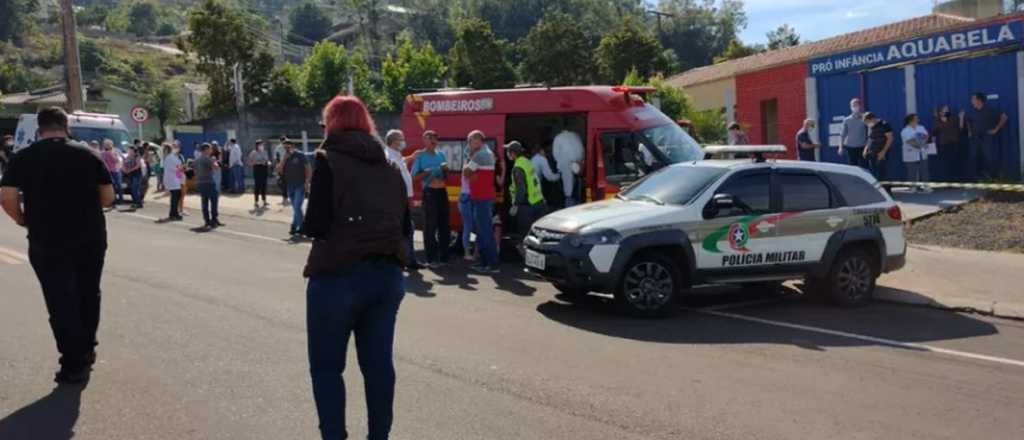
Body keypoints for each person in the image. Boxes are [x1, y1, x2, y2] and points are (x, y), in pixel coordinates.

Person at [301, 95, 408, 440]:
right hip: (387, 276)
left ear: (331, 123)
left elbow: (314, 225)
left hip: (337, 275)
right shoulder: (391, 167)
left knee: (327, 368)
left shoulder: (326, 160)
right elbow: (405, 228)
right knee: (378, 367)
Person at [0, 107, 115, 384]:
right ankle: (87, 350)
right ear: (66, 126)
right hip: (90, 236)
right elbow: (108, 197)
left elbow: (6, 197)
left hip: (46, 238)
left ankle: (72, 362)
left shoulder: (24, 157)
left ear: (40, 129)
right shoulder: (89, 154)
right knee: (88, 292)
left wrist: (23, 220)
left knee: (60, 299)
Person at [409, 130, 450, 267]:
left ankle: (444, 257)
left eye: (435, 138)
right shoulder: (421, 156)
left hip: (442, 192)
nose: (433, 140)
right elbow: (414, 177)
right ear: (424, 140)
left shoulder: (441, 154)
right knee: (430, 226)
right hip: (430, 193)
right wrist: (427, 172)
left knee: (444, 225)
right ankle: (431, 259)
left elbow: (445, 176)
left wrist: (444, 172)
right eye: (430, 137)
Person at [384, 129, 422, 270]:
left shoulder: (396, 154)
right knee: (402, 230)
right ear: (393, 141)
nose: (403, 142)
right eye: (401, 139)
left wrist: (411, 157)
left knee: (408, 229)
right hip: (396, 200)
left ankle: (409, 260)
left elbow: (400, 162)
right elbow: (394, 169)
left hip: (404, 198)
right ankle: (402, 260)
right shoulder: (387, 156)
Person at [463, 130, 499, 273]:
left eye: (469, 141)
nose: (468, 144)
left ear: (477, 140)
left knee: (485, 232)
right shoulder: (485, 153)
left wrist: (468, 161)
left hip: (482, 198)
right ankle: (485, 263)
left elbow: (466, 173)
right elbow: (469, 176)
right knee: (482, 231)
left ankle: (491, 264)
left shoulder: (481, 155)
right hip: (481, 197)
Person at [961, 92, 1009, 180]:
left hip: (987, 138)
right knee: (975, 157)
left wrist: (996, 129)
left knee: (989, 157)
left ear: (979, 100)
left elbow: (1004, 117)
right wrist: (969, 131)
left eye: (973, 99)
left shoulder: (990, 110)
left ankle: (993, 177)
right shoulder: (971, 111)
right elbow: (968, 120)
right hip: (975, 138)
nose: (972, 101)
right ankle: (977, 177)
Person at [507, 141, 546, 239]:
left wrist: (516, 205)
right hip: (538, 202)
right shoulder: (527, 162)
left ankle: (527, 254)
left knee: (525, 235)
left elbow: (521, 188)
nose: (507, 154)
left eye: (508, 152)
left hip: (527, 205)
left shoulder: (518, 167)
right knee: (537, 234)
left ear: (513, 153)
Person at [276, 140, 311, 237]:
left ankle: (302, 228)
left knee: (297, 207)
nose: (286, 149)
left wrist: (307, 182)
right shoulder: (284, 157)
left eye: (288, 147)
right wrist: (284, 159)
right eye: (285, 148)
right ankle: (294, 226)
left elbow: (308, 168)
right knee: (295, 208)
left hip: (300, 185)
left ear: (293, 146)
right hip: (290, 185)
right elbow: (279, 170)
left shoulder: (300, 155)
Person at [194, 143, 224, 228]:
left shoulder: (197, 160)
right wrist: (215, 161)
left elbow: (195, 171)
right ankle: (214, 219)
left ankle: (207, 220)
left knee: (204, 201)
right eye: (210, 149)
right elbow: (216, 168)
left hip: (200, 182)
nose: (211, 150)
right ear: (206, 150)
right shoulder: (208, 159)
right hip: (209, 182)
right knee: (214, 200)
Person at [552, 129, 584, 208]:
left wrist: (559, 165)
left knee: (568, 192)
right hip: (578, 164)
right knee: (577, 188)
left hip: (565, 164)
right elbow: (582, 151)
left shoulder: (558, 137)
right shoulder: (576, 135)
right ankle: (578, 206)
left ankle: (569, 208)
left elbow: (555, 154)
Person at [901, 114, 932, 193]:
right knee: (912, 171)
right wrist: (920, 144)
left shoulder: (921, 127)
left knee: (924, 170)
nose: (918, 120)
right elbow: (910, 141)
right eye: (916, 119)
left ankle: (926, 187)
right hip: (911, 153)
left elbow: (926, 136)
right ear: (911, 120)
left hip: (922, 153)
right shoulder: (905, 131)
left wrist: (922, 142)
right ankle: (913, 187)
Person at [932, 105, 961, 182]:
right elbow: (934, 133)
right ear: (941, 112)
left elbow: (960, 128)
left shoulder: (953, 118)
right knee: (945, 164)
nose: (947, 111)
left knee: (955, 162)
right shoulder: (937, 121)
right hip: (944, 144)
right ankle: (947, 181)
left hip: (954, 143)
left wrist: (961, 118)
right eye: (945, 109)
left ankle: (956, 181)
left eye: (948, 109)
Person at [839, 98, 869, 169]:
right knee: (852, 167)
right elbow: (842, 134)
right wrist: (840, 147)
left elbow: (869, 134)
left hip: (862, 147)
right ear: (850, 107)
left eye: (856, 105)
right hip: (850, 148)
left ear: (860, 106)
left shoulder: (865, 118)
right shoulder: (846, 120)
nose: (855, 107)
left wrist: (867, 146)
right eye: (853, 105)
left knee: (864, 167)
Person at [863, 112, 893, 181]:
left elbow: (890, 139)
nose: (867, 124)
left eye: (867, 121)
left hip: (881, 152)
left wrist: (883, 152)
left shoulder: (884, 124)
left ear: (873, 118)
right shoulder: (870, 126)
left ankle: (885, 190)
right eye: (866, 123)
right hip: (871, 152)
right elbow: (869, 138)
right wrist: (865, 149)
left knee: (881, 173)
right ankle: (876, 190)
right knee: (873, 172)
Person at [162, 143, 184, 221]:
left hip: (172, 179)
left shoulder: (168, 157)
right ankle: (173, 214)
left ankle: (174, 213)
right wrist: (181, 172)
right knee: (175, 197)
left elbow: (177, 167)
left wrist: (180, 176)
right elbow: (176, 168)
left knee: (176, 196)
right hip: (173, 179)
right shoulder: (171, 157)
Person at [248, 139, 271, 209]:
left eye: (262, 144)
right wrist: (257, 162)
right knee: (257, 186)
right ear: (257, 145)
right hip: (257, 169)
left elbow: (267, 160)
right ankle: (256, 201)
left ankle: (264, 200)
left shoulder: (265, 152)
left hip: (264, 169)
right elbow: (249, 162)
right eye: (260, 144)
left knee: (264, 185)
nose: (261, 146)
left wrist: (268, 163)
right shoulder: (253, 152)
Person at [101, 139, 125, 204]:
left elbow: (117, 160)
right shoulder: (103, 153)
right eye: (106, 144)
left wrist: (111, 154)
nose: (107, 146)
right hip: (108, 171)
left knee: (119, 185)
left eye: (108, 144)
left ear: (111, 145)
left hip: (116, 170)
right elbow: (103, 162)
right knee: (112, 185)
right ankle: (113, 200)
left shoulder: (115, 151)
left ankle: (121, 199)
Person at [274, 136, 289, 205]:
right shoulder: (278, 148)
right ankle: (285, 198)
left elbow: (276, 159)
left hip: (286, 167)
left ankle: (285, 198)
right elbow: (277, 158)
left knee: (284, 183)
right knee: (282, 182)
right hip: (283, 167)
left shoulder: (288, 147)